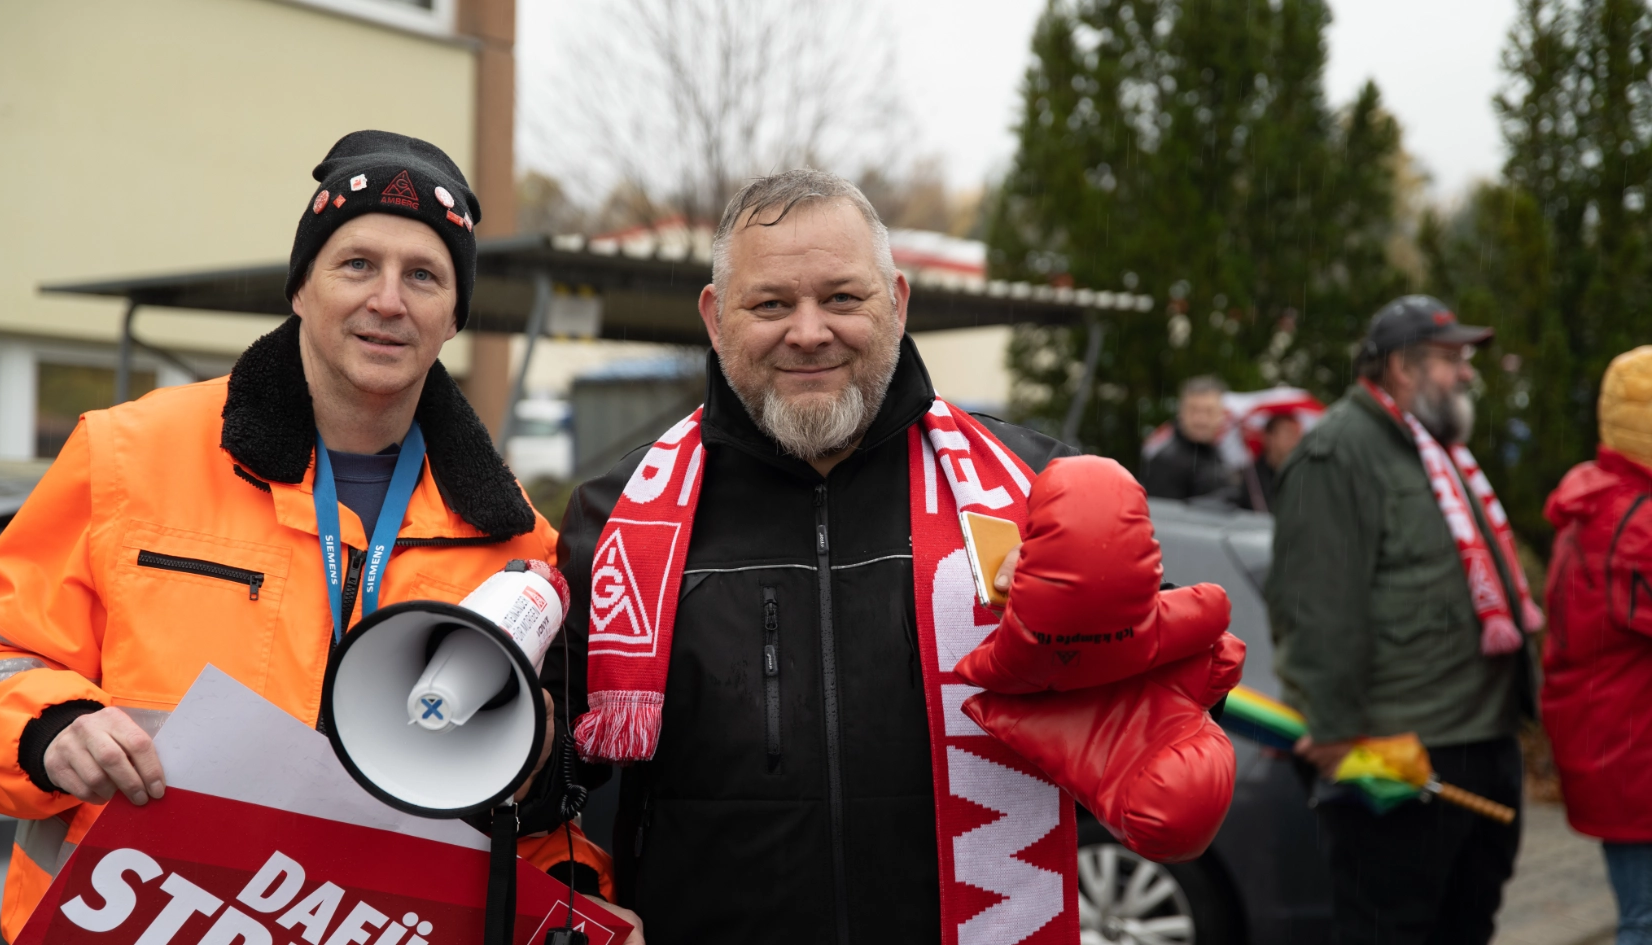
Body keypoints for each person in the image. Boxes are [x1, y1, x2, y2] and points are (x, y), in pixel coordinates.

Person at [519, 170, 1216, 945]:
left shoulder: (1028, 490)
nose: (809, 331)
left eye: (843, 298)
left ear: (899, 303)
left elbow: (1169, 690)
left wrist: (1134, 698)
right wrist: (559, 847)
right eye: (771, 303)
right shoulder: (616, 518)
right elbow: (544, 792)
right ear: (716, 319)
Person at [0, 131, 624, 942]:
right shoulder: (126, 454)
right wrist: (47, 725)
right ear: (301, 289)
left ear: (453, 316)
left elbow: (541, 820)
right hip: (127, 918)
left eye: (423, 275)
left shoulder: (520, 549)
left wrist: (571, 887)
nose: (388, 300)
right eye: (356, 265)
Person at [1265, 294, 1542, 945]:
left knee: (1465, 926)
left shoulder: (1436, 448)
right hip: (1402, 756)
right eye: (1450, 359)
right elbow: (1317, 607)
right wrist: (1332, 735)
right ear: (1399, 367)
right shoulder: (1340, 451)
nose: (1466, 372)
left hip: (1483, 745)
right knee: (1389, 930)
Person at [1542, 345, 1652, 945]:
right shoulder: (1634, 522)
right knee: (1645, 922)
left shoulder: (1604, 500)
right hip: (1636, 759)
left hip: (1616, 747)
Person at [1141, 375, 1234, 500]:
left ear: (1221, 415)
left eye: (1209, 411)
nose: (1201, 419)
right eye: (1193, 410)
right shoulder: (1165, 460)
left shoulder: (1223, 455)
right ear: (1180, 412)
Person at [1236, 411, 1303, 512]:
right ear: (1269, 437)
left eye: (1297, 434)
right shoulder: (1248, 476)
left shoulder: (1301, 476)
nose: (1295, 440)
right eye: (1288, 433)